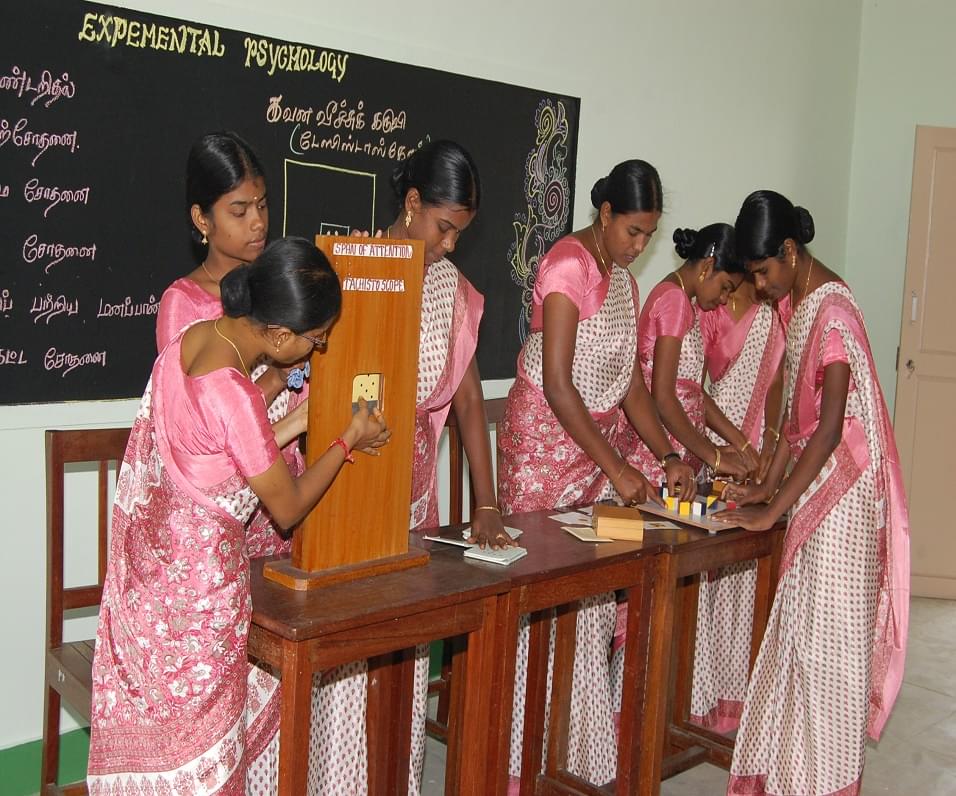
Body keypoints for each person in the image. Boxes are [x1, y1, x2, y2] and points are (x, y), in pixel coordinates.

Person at [87, 238, 390, 795]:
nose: (320, 349)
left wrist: (297, 417)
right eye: (315, 339)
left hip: (152, 596)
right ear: (277, 335)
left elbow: (224, 455)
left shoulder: (192, 340)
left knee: (164, 756)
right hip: (199, 604)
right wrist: (348, 437)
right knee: (204, 760)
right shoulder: (236, 396)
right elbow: (287, 506)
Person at [497, 160, 697, 789]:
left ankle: (572, 753)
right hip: (543, 455)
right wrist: (618, 465)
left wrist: (666, 454)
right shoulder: (567, 266)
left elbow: (629, 384)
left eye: (649, 235)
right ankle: (522, 766)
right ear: (605, 214)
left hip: (592, 456)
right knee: (537, 603)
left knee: (587, 601)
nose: (641, 246)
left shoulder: (623, 284)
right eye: (633, 231)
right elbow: (559, 383)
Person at [315, 140, 504, 794]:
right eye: (443, 227)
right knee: (344, 643)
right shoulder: (353, 267)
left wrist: (486, 503)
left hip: (413, 494)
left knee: (403, 639)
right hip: (346, 482)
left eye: (460, 234)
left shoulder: (452, 289)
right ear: (413, 203)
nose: (449, 245)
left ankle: (392, 779)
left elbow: (469, 400)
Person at [719, 190, 909, 796]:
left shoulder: (833, 315)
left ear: (791, 251)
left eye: (763, 272)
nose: (760, 286)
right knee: (801, 639)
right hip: (817, 487)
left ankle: (824, 783)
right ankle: (790, 779)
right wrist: (765, 485)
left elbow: (828, 430)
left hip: (844, 500)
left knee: (830, 653)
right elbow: (791, 426)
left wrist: (773, 508)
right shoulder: (800, 303)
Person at [156, 131, 302, 558]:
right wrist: (277, 379)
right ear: (202, 220)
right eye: (239, 211)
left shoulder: (280, 291)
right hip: (219, 522)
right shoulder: (183, 304)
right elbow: (205, 428)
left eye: (262, 205)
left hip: (288, 497)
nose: (258, 223)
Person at [686, 269, 786, 732]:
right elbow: (693, 388)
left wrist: (769, 445)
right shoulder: (711, 306)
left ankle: (738, 701)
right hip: (716, 447)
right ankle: (698, 697)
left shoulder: (776, 308)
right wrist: (731, 448)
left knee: (747, 577)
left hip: (761, 447)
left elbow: (779, 380)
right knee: (708, 574)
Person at [619, 223, 756, 484]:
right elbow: (663, 398)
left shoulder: (685, 302)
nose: (724, 299)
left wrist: (739, 444)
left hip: (680, 455)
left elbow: (692, 391)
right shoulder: (675, 301)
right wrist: (715, 457)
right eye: (725, 286)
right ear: (707, 266)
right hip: (659, 462)